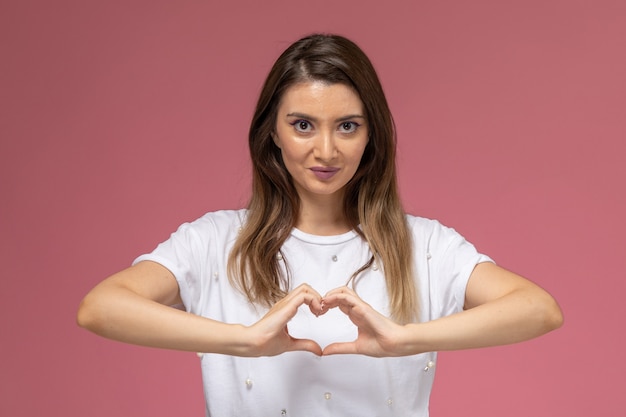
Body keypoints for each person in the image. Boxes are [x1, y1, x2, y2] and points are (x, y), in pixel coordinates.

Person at [77, 33, 563, 416]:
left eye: (347, 126)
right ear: (272, 131)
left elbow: (539, 309)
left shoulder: (425, 246)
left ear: (372, 135)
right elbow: (99, 308)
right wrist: (244, 341)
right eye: (303, 125)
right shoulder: (214, 241)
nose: (326, 151)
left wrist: (405, 339)